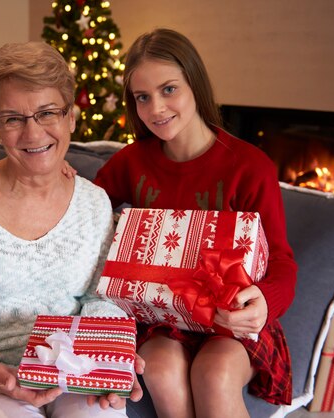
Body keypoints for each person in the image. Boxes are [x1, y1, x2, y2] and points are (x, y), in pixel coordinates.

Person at [0, 41, 143, 418]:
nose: (32, 133)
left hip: (70, 366)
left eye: (47, 113)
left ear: (70, 118)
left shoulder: (94, 203)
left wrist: (108, 362)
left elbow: (101, 299)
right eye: (13, 118)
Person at [94, 28, 297, 418]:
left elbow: (283, 261)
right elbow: (80, 208)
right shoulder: (131, 162)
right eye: (143, 97)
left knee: (215, 374)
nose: (156, 109)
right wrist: (10, 180)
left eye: (169, 89)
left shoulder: (249, 167)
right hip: (163, 316)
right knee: (162, 369)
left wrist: (264, 304)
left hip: (231, 317)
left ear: (195, 85)